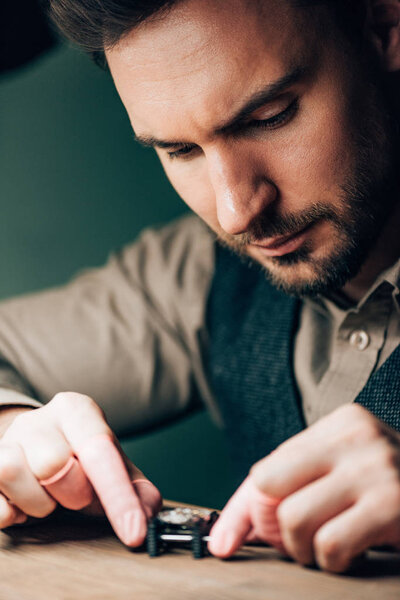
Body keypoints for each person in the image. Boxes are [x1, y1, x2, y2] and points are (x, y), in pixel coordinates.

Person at [0, 0, 399, 574]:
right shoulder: (196, 273)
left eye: (269, 116)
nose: (236, 212)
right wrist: (13, 429)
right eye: (180, 150)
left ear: (383, 28)